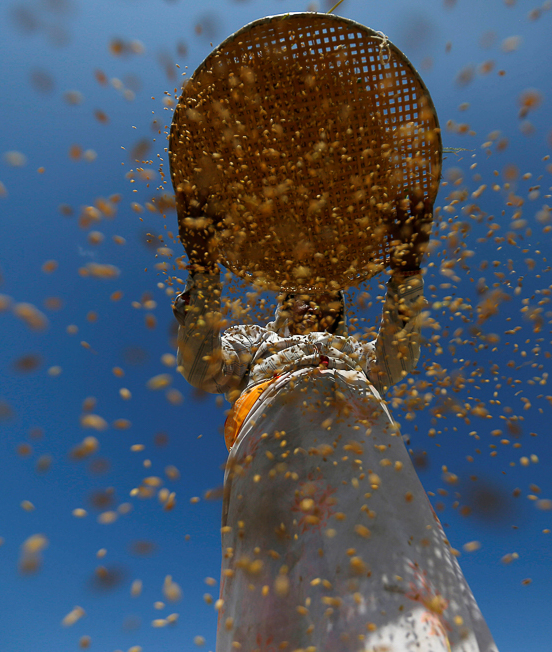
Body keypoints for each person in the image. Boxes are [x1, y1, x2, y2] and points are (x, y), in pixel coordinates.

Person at [173, 187, 497, 652]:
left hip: (361, 439)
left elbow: (397, 355)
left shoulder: (354, 354)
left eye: (324, 296)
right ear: (283, 307)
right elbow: (202, 364)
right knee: (282, 581)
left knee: (388, 551)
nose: (311, 300)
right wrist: (203, 269)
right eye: (299, 295)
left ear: (338, 311)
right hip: (272, 442)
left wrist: (405, 271)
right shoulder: (257, 342)